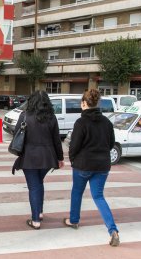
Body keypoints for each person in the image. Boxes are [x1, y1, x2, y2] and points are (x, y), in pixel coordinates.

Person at [64, 89, 120, 247]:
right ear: (97, 103)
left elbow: (74, 146)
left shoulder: (81, 122)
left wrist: (73, 160)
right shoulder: (107, 122)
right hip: (102, 165)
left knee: (77, 192)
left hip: (83, 164)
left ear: (84, 103)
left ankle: (74, 221)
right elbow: (110, 144)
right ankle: (112, 230)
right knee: (99, 197)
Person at [12, 90, 64, 229]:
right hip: (48, 158)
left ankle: (35, 220)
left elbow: (16, 135)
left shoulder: (24, 116)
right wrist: (60, 158)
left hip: (29, 158)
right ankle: (39, 212)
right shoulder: (52, 117)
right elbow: (57, 140)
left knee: (34, 187)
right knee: (39, 183)